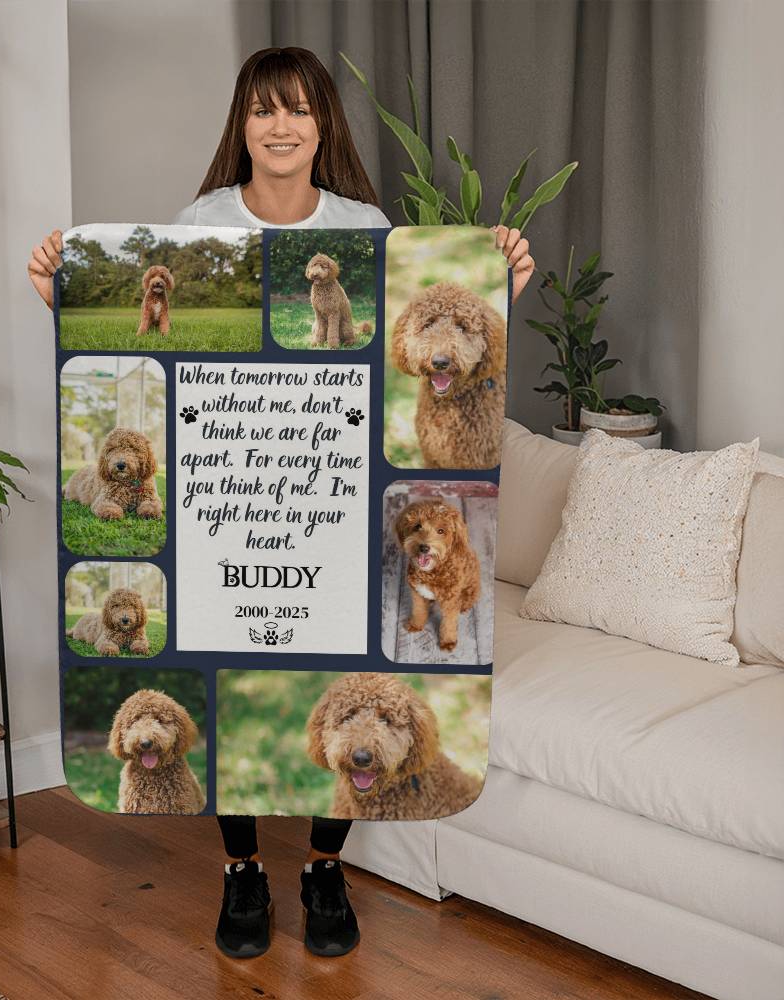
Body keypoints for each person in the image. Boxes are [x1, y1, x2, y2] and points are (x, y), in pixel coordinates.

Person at [27, 46, 534, 961]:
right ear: (244, 124)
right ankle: (242, 870)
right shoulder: (201, 222)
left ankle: (325, 867)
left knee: (337, 662)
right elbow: (169, 352)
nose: (281, 125)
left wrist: (502, 280)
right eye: (264, 109)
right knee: (214, 656)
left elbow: (408, 343)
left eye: (299, 108)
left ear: (322, 123)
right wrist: (56, 293)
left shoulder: (365, 223)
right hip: (229, 489)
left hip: (327, 490)